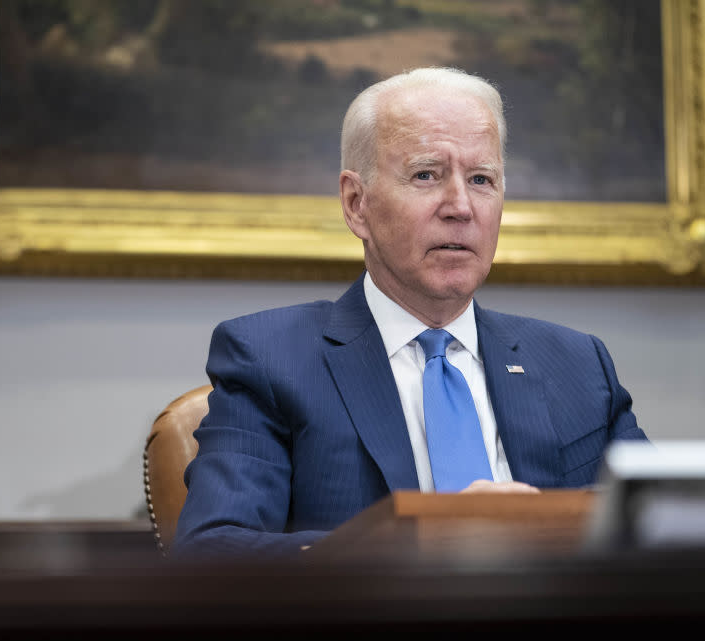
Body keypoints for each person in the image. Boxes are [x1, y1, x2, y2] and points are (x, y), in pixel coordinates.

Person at [173, 67, 647, 557]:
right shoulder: (271, 359)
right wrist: (425, 540)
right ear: (357, 204)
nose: (461, 207)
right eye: (427, 175)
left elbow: (663, 530)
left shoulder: (578, 364)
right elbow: (212, 552)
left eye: (482, 179)